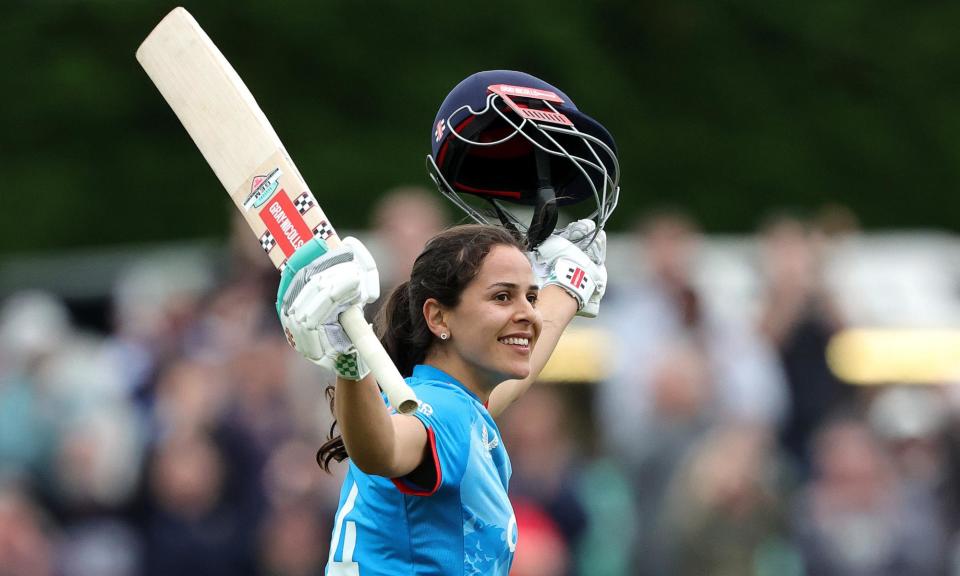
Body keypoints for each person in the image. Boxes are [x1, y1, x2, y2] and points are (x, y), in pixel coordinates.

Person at [277, 70, 617, 575]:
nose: (527, 311)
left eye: (530, 295)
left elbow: (513, 382)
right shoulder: (444, 414)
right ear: (439, 317)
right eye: (502, 296)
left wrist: (566, 289)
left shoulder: (461, 405)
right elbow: (382, 450)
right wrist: (349, 363)